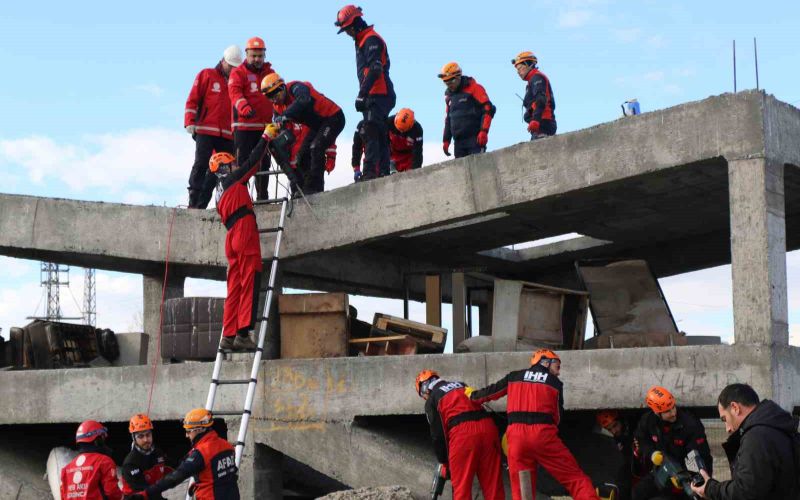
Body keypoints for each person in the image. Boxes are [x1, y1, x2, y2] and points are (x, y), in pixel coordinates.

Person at [469, 350, 598, 500]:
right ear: (545, 361)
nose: (558, 372)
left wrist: (472, 395)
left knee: (521, 490)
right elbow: (557, 417)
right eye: (557, 366)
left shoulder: (514, 377)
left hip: (516, 438)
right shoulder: (554, 383)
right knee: (575, 478)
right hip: (543, 435)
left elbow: (489, 393)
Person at [208, 125, 276, 351]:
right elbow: (253, 162)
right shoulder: (233, 180)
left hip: (232, 236)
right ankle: (243, 333)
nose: (236, 165)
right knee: (250, 280)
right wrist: (266, 136)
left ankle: (227, 336)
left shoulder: (218, 192)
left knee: (235, 287)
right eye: (232, 164)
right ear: (225, 167)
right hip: (244, 231)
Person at [690, 383, 799, 499]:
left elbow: (745, 492)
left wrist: (709, 488)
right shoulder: (774, 427)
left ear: (735, 408)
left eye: (724, 419)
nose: (728, 429)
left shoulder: (757, 437)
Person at [416, 370, 505, 500]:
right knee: (493, 487)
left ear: (424, 390)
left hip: (463, 435)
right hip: (488, 429)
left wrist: (445, 463)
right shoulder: (461, 384)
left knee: (461, 490)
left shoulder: (433, 399)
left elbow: (438, 436)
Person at [335, 5, 396, 180]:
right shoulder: (363, 39)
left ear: (354, 24)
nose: (347, 33)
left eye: (347, 29)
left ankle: (371, 173)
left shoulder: (370, 40)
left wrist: (362, 94)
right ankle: (383, 171)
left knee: (371, 130)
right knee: (380, 132)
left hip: (378, 93)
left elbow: (375, 69)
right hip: (377, 93)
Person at [260, 74, 345, 195]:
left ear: (282, 87)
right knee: (302, 155)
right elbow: (280, 127)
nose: (273, 98)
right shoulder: (278, 108)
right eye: (269, 96)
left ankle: (315, 188)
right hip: (317, 125)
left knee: (316, 147)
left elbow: (304, 99)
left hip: (333, 117)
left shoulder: (296, 87)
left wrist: (285, 115)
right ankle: (306, 188)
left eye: (275, 93)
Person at [129, 409, 239, 500]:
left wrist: (145, 494)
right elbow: (225, 474)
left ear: (199, 430)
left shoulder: (201, 453)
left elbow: (174, 478)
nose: (186, 435)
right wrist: (199, 482)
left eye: (188, 431)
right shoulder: (227, 446)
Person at [184, 45, 242, 209]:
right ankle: (193, 202)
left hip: (227, 134)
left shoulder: (237, 82)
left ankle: (206, 204)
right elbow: (193, 99)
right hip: (205, 130)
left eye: (235, 67)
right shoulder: (207, 75)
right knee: (201, 164)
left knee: (222, 170)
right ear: (223, 61)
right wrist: (189, 121)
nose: (232, 70)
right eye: (230, 66)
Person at [632, 386, 713, 500]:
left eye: (673, 407)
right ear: (656, 412)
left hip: (689, 477)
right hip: (661, 472)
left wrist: (685, 477)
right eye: (667, 411)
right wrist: (652, 454)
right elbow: (641, 438)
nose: (673, 413)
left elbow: (698, 457)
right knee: (638, 492)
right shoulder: (648, 421)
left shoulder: (690, 425)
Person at [228, 36, 274, 200]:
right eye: (253, 55)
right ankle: (241, 198)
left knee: (264, 163)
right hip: (244, 127)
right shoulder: (238, 72)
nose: (257, 59)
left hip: (264, 127)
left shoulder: (270, 73)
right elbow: (235, 93)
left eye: (260, 56)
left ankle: (263, 198)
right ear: (247, 54)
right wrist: (244, 108)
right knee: (243, 166)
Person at [438, 62, 495, 158]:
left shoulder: (474, 88)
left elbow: (488, 109)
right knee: (461, 172)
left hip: (475, 139)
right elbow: (448, 119)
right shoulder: (449, 97)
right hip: (459, 143)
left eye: (451, 82)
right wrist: (446, 140)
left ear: (458, 77)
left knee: (478, 168)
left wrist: (484, 131)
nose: (449, 85)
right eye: (445, 83)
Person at [60, 420, 123, 500]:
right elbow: (112, 493)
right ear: (97, 440)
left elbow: (63, 495)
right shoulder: (104, 461)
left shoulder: (67, 468)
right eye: (103, 437)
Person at [353, 108, 422, 179]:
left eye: (403, 130)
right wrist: (356, 168)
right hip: (387, 155)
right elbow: (357, 148)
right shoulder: (387, 123)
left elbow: (418, 153)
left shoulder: (417, 130)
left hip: (406, 157)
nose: (400, 132)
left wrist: (416, 172)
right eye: (398, 129)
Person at [121, 414, 172, 499]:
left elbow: (173, 467)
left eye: (148, 435)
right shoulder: (130, 463)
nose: (146, 440)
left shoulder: (158, 453)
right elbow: (143, 490)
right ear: (134, 438)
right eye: (141, 436)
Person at [597, 410, 643, 500]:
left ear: (621, 421)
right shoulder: (609, 440)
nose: (614, 431)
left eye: (615, 425)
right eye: (609, 429)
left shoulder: (636, 427)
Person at [511, 51, 556, 139]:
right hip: (539, 124)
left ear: (528, 65)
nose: (518, 72)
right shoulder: (531, 81)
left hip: (543, 123)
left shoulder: (537, 77)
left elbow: (540, 99)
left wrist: (535, 120)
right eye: (517, 70)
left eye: (520, 68)